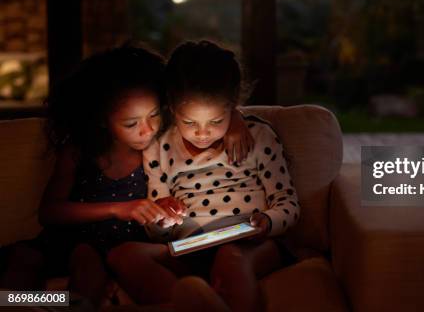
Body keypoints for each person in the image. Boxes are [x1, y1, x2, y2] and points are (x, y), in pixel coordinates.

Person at [0, 45, 253, 307]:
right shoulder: (81, 151)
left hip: (129, 245)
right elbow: (49, 212)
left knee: (92, 275)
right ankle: (26, 303)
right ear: (102, 120)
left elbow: (203, 102)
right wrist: (118, 209)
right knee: (28, 265)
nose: (147, 130)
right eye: (131, 124)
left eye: (154, 115)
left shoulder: (165, 142)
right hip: (76, 239)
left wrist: (234, 118)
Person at [108, 40, 300, 312]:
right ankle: (193, 301)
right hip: (191, 245)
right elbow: (155, 231)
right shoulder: (159, 146)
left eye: (216, 121)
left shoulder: (258, 137)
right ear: (172, 108)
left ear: (232, 107)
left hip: (247, 242)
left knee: (230, 258)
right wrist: (162, 215)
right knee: (124, 255)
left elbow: (288, 204)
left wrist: (267, 222)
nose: (202, 133)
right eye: (189, 123)